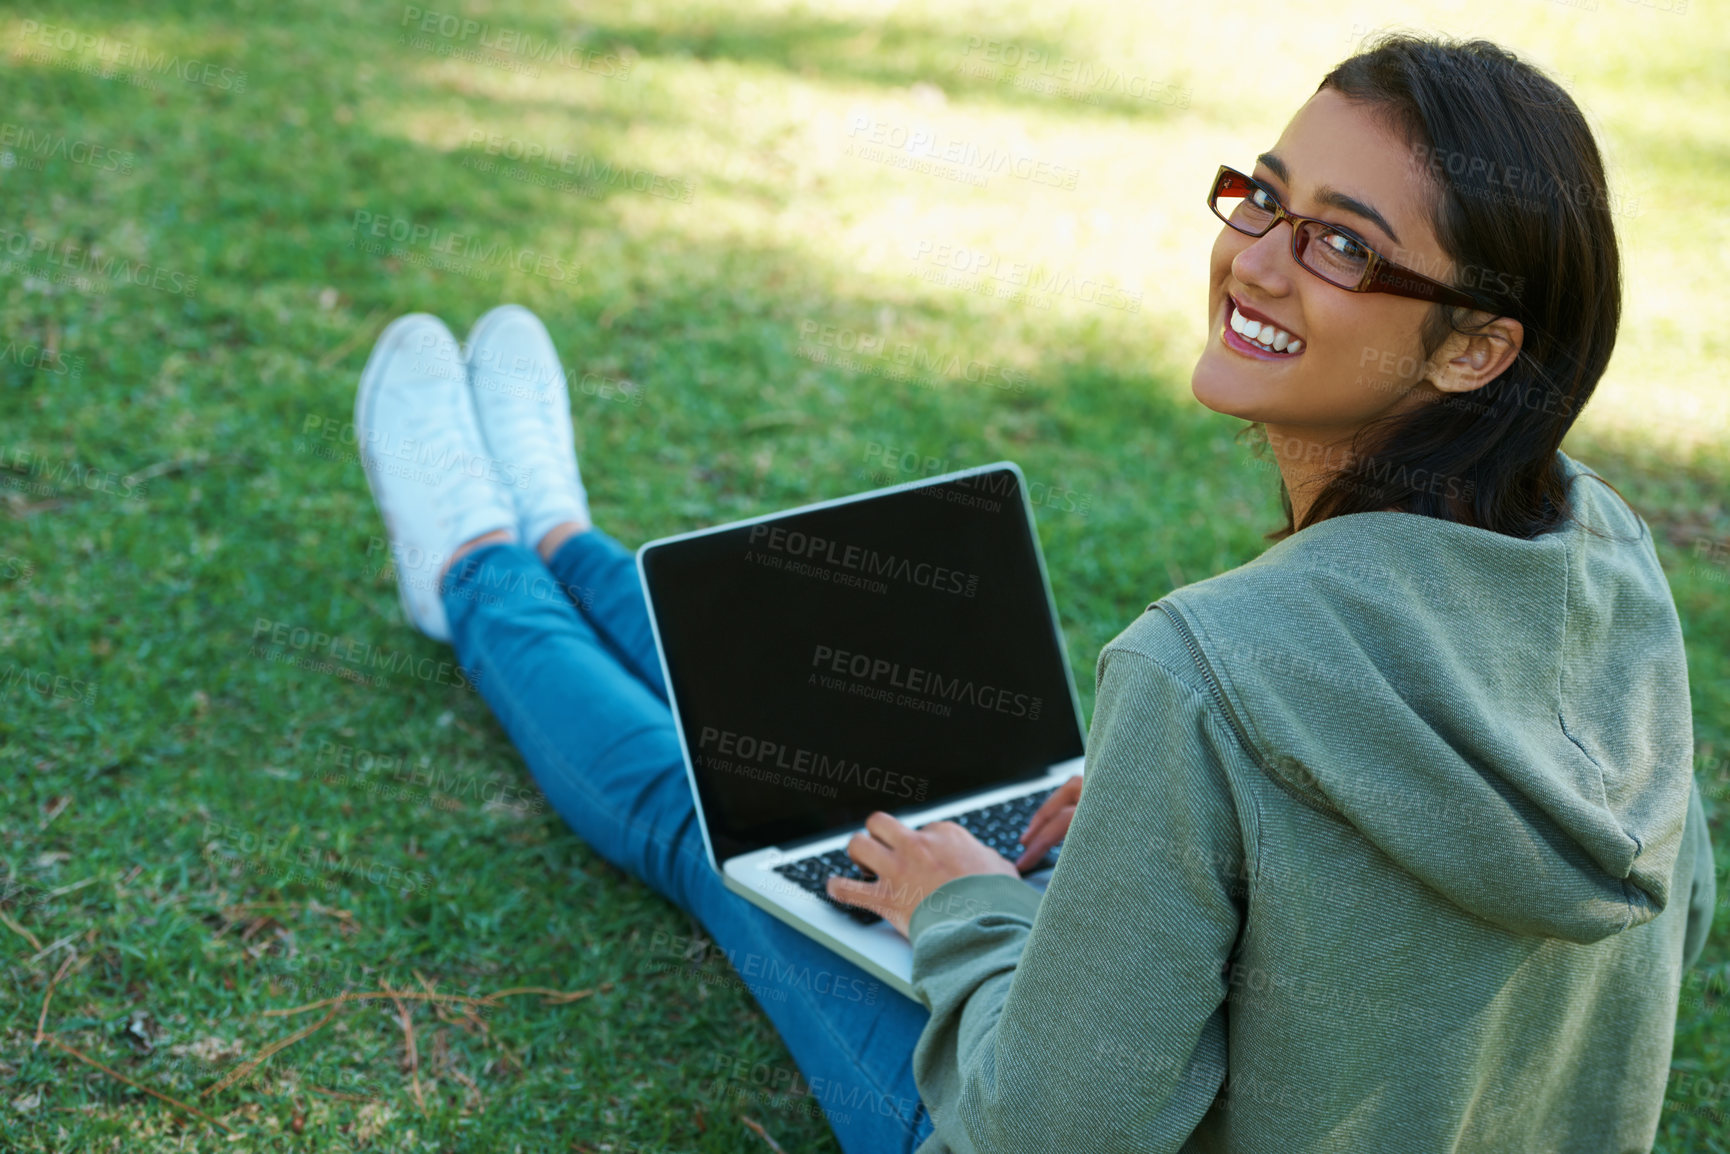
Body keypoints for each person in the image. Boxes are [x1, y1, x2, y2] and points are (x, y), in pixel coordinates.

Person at [353, 32, 1717, 1154]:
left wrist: (965, 908)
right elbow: (1635, 910)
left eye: (1343, 247)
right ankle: (566, 539)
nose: (1252, 260)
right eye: (1265, 197)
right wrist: (1183, 855)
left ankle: (474, 564)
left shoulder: (1209, 667)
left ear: (1475, 346)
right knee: (797, 751)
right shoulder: (1595, 549)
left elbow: (1044, 1131)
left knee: (715, 822)